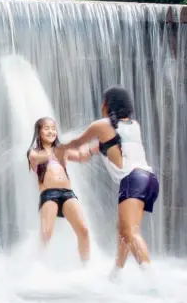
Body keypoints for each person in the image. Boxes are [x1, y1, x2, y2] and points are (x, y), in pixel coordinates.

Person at [54, 85, 159, 279]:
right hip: (148, 180)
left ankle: (151, 279)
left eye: (103, 101)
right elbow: (83, 154)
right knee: (123, 229)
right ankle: (116, 275)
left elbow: (77, 143)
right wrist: (61, 154)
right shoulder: (132, 126)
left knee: (130, 232)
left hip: (133, 179)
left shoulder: (101, 126)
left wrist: (60, 148)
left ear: (107, 104)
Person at [27, 116, 91, 263]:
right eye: (47, 128)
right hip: (49, 194)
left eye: (54, 128)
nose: (51, 131)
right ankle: (36, 266)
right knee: (46, 233)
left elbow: (81, 157)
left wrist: (91, 146)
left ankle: (86, 267)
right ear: (39, 132)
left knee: (84, 231)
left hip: (68, 193)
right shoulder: (33, 152)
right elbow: (37, 157)